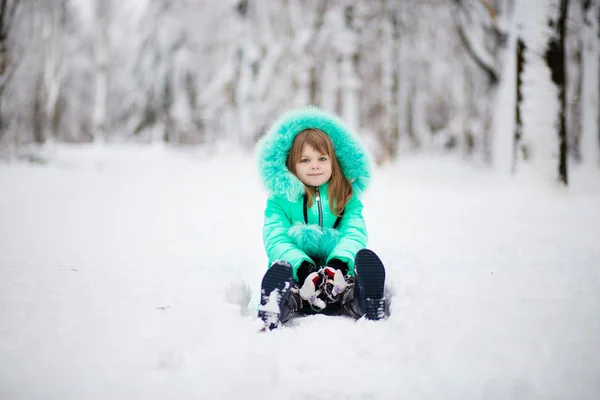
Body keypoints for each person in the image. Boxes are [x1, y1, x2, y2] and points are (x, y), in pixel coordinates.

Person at [255, 107, 387, 330]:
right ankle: (278, 303)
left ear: (334, 162)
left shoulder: (345, 194)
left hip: (337, 273)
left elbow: (354, 230)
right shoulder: (281, 199)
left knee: (346, 287)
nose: (314, 165)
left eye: (322, 158)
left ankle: (365, 300)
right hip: (298, 272)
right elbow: (275, 237)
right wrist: (303, 266)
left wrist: (338, 263)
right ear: (291, 164)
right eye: (305, 160)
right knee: (293, 288)